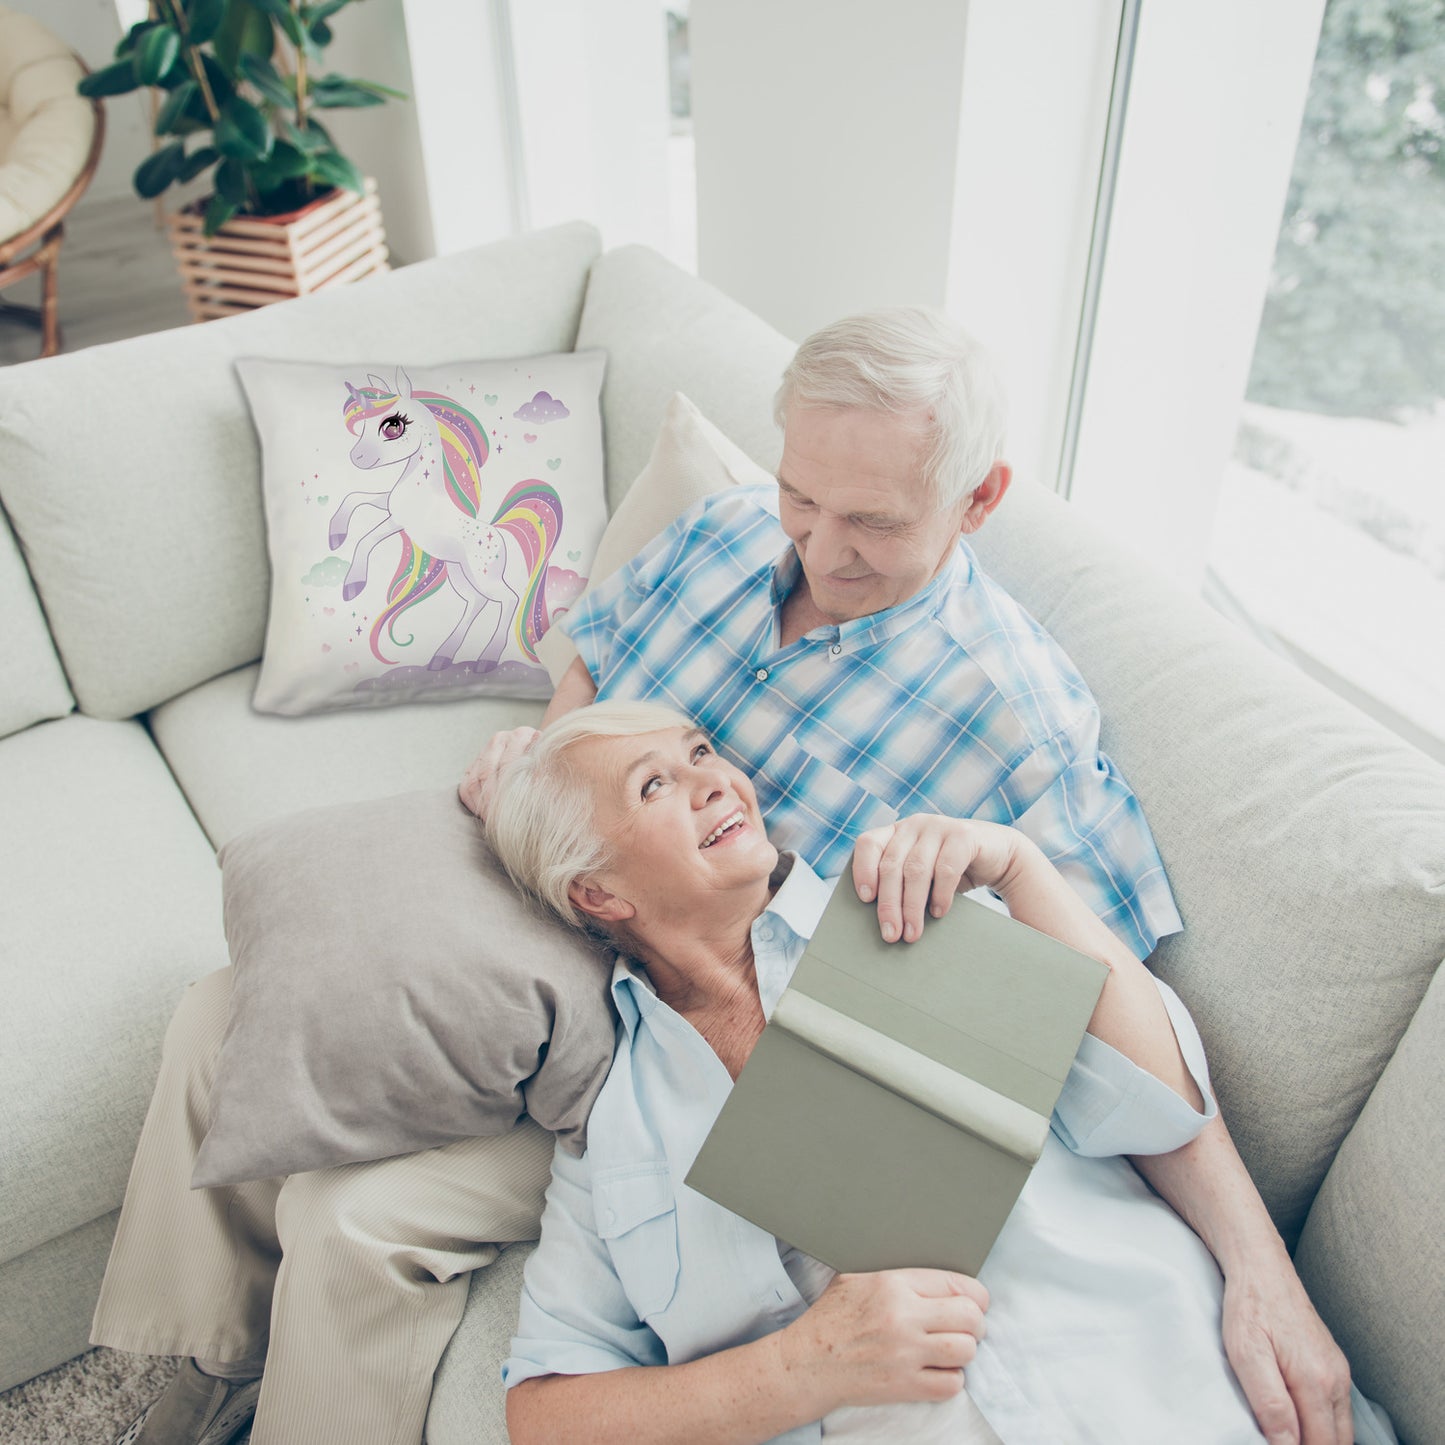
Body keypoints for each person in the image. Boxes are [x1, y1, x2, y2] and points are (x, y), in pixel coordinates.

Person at [94, 309, 1348, 1445]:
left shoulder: (1016, 724)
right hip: (581, 888)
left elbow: (1103, 1020)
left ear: (976, 501)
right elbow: (592, 664)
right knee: (229, 1008)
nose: (818, 545)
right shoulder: (725, 532)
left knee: (355, 1218)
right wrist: (545, 764)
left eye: (871, 521)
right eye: (804, 495)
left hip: (692, 1013)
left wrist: (1260, 1266)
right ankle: (192, 1364)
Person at [486, 701, 1387, 1445]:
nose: (715, 779)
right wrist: (804, 1366)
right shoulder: (615, 1132)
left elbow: (1158, 1106)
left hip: (1174, 1394)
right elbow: (545, 1413)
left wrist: (1020, 868)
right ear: (597, 893)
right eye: (655, 784)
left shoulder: (909, 907)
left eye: (700, 751)